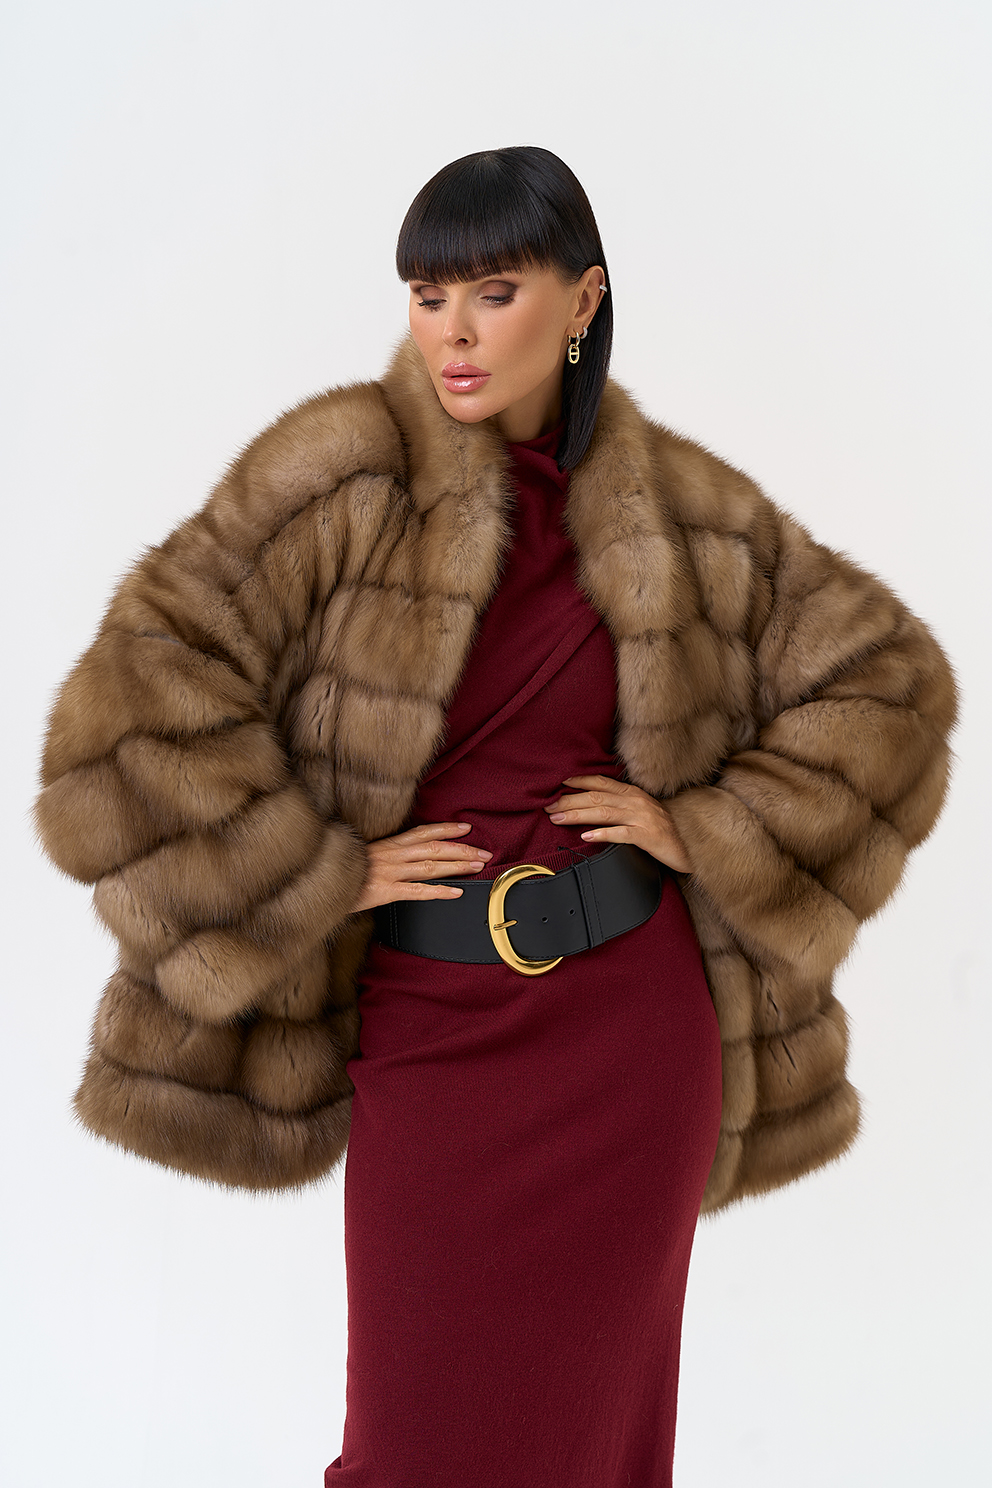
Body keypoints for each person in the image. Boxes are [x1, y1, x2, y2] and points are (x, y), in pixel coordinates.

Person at [35, 146, 957, 1488]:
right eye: (429, 297)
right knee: (414, 1450)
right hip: (429, 1031)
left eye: (493, 291)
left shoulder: (683, 511)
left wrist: (709, 826)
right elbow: (129, 708)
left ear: (582, 300)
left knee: (598, 1451)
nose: (455, 333)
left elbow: (890, 682)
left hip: (630, 1043)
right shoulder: (339, 476)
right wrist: (317, 872)